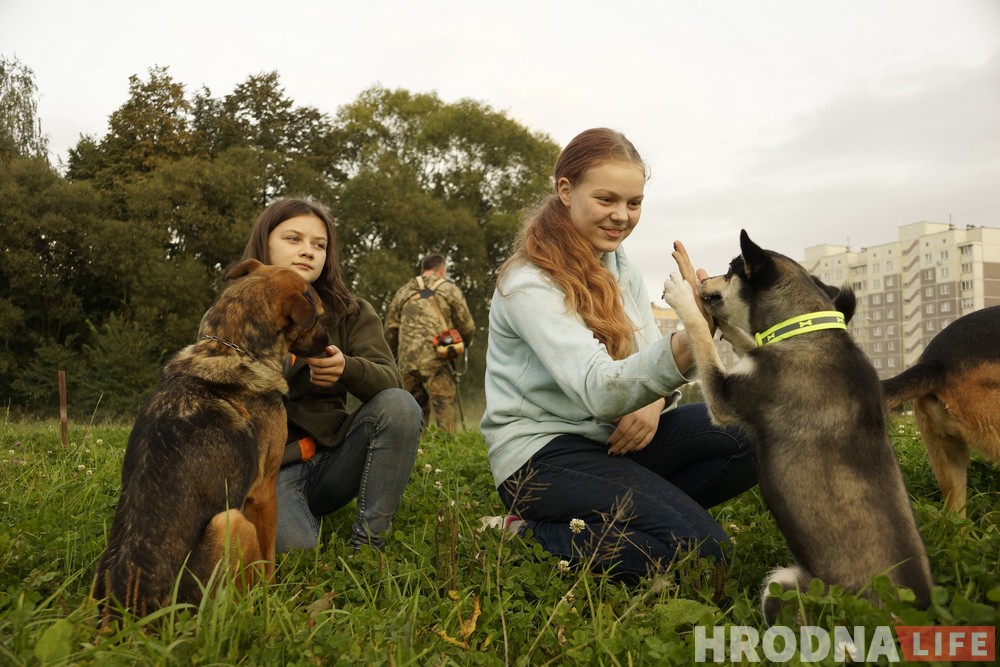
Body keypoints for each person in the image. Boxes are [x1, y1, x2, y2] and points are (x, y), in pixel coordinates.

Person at [480, 128, 757, 581]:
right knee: (704, 558)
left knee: (752, 430)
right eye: (606, 199)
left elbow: (646, 362)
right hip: (543, 457)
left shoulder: (620, 264)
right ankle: (524, 533)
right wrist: (691, 336)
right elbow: (599, 389)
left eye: (634, 203)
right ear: (565, 190)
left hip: (616, 442)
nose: (621, 216)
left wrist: (654, 401)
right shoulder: (528, 282)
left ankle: (653, 518)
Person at [234, 197, 422, 552]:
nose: (308, 251)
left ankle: (369, 546)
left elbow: (392, 384)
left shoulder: (352, 312)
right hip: (270, 472)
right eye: (294, 239)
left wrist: (347, 368)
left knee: (400, 406)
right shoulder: (232, 311)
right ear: (264, 243)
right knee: (296, 552)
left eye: (319, 245)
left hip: (336, 461)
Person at [384, 254, 476, 432]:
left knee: (412, 411)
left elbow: (390, 330)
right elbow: (467, 325)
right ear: (441, 271)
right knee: (443, 404)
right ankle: (448, 444)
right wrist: (463, 344)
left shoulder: (403, 291)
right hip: (437, 359)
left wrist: (393, 358)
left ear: (423, 270)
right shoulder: (449, 289)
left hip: (407, 362)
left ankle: (416, 446)